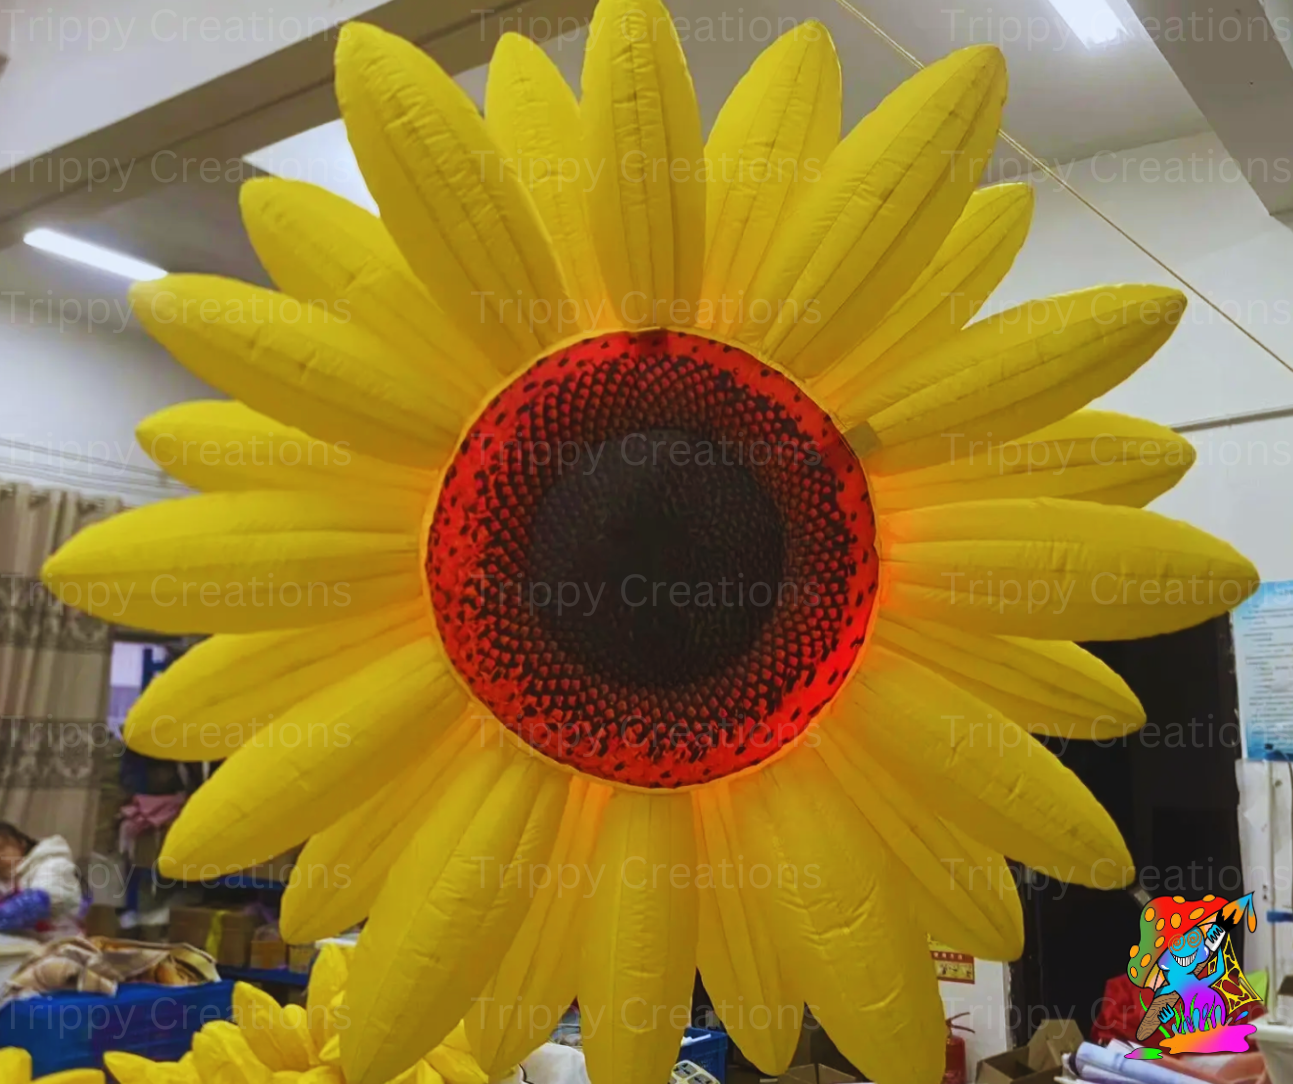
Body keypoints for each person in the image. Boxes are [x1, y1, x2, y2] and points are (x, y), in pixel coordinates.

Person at [0, 823, 83, 939]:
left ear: (21, 843)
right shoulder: (6, 875)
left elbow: (41, 901)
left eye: (1, 848)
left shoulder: (53, 864)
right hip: (23, 944)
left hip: (58, 944)